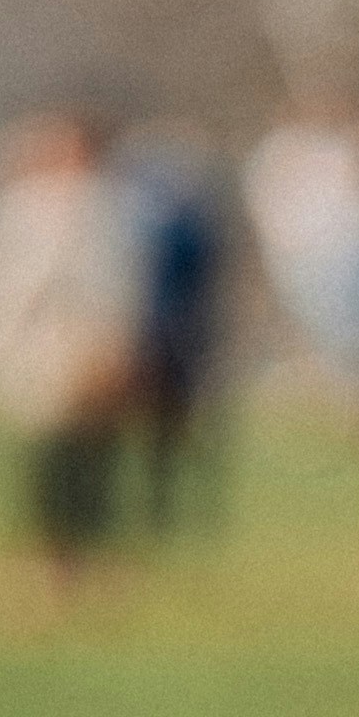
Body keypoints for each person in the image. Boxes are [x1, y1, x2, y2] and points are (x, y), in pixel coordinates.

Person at [0, 113, 146, 607]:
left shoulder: (106, 207)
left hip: (90, 356)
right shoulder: (24, 211)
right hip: (41, 360)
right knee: (48, 467)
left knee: (89, 468)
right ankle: (49, 568)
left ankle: (86, 566)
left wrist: (116, 346)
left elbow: (122, 289)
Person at [114, 124, 231, 538]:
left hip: (176, 337)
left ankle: (169, 509)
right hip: (148, 335)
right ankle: (147, 508)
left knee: (175, 429)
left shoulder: (187, 229)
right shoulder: (139, 222)